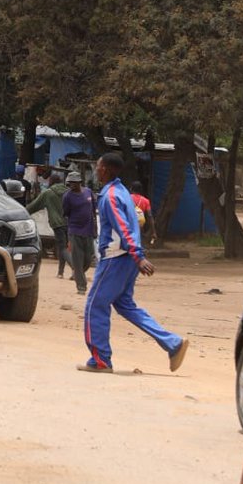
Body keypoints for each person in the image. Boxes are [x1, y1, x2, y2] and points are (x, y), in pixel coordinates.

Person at [79, 152, 189, 373]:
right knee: (126, 306)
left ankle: (100, 360)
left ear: (106, 170)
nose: (96, 169)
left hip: (116, 258)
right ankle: (173, 343)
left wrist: (138, 256)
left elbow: (123, 227)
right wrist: (136, 256)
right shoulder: (123, 192)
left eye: (98, 166)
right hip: (127, 259)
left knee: (95, 305)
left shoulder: (110, 196)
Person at [26, 173, 69, 278]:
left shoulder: (48, 193)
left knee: (62, 247)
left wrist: (21, 212)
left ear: (51, 181)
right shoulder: (68, 192)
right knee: (70, 247)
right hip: (71, 223)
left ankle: (62, 272)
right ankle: (72, 271)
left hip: (57, 224)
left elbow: (33, 206)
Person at [61, 171, 97, 294]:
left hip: (88, 230)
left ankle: (69, 259)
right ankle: (81, 287)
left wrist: (95, 229)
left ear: (80, 182)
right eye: (70, 183)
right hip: (75, 230)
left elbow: (93, 211)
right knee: (78, 259)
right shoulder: (67, 196)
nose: (72, 185)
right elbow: (66, 212)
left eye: (75, 183)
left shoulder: (88, 192)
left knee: (87, 259)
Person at [130, 181, 158, 246]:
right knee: (139, 244)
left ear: (131, 189)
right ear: (140, 190)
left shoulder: (127, 198)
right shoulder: (146, 201)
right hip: (140, 226)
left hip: (129, 225)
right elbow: (150, 216)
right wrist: (153, 232)